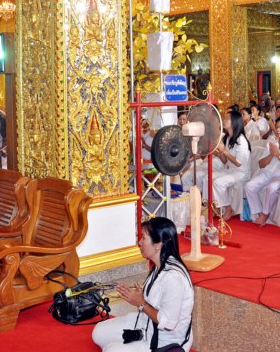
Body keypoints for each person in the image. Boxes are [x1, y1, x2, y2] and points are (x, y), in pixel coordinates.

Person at [93, 217, 193, 352]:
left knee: (110, 350)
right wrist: (141, 297)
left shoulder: (173, 278)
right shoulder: (159, 265)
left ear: (158, 245)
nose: (139, 242)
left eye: (144, 238)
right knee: (98, 333)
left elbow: (168, 323)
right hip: (145, 325)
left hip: (165, 342)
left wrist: (141, 303)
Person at [245, 115, 280, 226]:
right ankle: (259, 212)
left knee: (272, 187)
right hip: (268, 173)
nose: (278, 130)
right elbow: (261, 164)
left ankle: (265, 214)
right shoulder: (272, 143)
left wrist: (278, 155)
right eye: (276, 127)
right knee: (249, 186)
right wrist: (271, 155)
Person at [212, 111, 251, 221]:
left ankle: (228, 208)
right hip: (230, 170)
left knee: (218, 182)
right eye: (224, 118)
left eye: (227, 119)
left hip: (241, 173)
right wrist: (220, 152)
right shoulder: (227, 137)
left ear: (235, 122)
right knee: (208, 178)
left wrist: (224, 150)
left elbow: (238, 163)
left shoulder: (241, 140)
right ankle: (213, 206)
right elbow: (225, 161)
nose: (224, 120)